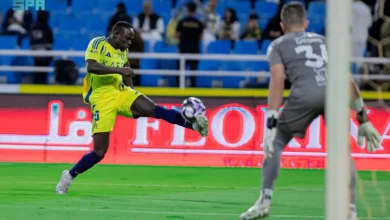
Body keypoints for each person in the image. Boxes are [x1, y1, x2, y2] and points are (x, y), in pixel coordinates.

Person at [239, 2, 382, 220]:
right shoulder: (325, 41)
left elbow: (277, 81)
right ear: (306, 24)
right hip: (334, 93)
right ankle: (351, 210)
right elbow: (347, 78)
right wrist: (363, 118)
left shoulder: (277, 45)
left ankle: (264, 202)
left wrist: (271, 121)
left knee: (275, 142)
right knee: (342, 151)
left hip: (305, 93)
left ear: (282, 25)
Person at [56, 21, 209, 194]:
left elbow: (126, 67)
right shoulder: (98, 43)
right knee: (99, 152)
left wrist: (133, 92)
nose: (129, 43)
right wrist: (119, 71)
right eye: (127, 39)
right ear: (116, 34)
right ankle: (69, 175)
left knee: (156, 110)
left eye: (131, 40)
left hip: (121, 92)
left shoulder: (123, 51)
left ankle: (194, 125)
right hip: (101, 99)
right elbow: (92, 67)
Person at [176, 2, 204, 87]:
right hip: (194, 49)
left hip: (183, 48)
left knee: (181, 69)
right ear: (195, 10)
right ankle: (193, 87)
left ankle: (179, 86)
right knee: (193, 70)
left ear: (187, 10)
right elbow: (201, 38)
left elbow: (176, 35)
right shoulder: (199, 23)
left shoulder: (182, 22)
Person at [29, 10, 54, 84]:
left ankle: (38, 85)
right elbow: (50, 41)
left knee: (39, 72)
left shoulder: (33, 26)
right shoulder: (46, 27)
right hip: (43, 55)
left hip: (36, 54)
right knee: (41, 73)